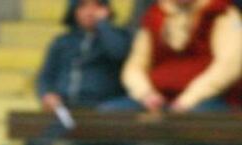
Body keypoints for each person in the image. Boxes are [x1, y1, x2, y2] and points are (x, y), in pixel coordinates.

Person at [28, 0, 132, 145]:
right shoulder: (62, 42)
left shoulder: (120, 37)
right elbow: (45, 76)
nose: (90, 12)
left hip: (102, 112)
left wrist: (103, 25)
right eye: (83, 6)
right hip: (65, 110)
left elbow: (119, 53)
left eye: (96, 6)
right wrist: (46, 94)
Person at [101, 0, 242, 113]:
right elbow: (135, 65)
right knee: (109, 113)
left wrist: (188, 100)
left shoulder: (221, 12)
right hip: (158, 97)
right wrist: (146, 94)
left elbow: (229, 65)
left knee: (194, 120)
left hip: (209, 99)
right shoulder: (156, 14)